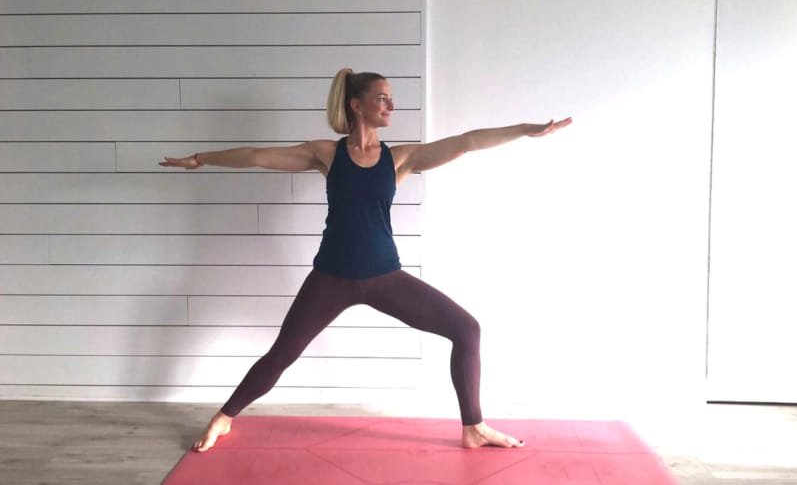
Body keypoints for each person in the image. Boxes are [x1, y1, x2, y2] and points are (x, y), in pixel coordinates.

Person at [159, 68, 571, 452]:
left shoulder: (400, 158)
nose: (391, 106)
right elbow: (256, 155)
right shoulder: (326, 153)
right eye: (383, 99)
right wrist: (203, 157)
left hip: (384, 277)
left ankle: (473, 427)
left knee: (466, 329)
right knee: (282, 354)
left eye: (392, 99)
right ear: (357, 105)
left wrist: (524, 130)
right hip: (331, 277)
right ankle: (224, 417)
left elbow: (466, 142)